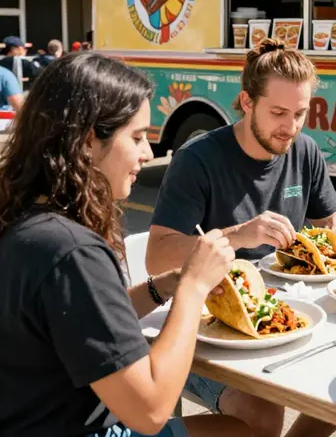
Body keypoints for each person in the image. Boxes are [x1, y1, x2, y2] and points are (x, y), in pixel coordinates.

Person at [0, 52, 251, 437]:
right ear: (86, 141)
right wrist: (194, 287)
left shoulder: (26, 220)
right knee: (251, 428)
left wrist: (163, 287)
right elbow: (150, 410)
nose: (148, 153)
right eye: (136, 137)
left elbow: (85, 321)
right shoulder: (70, 251)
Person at [146, 39, 336, 437]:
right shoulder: (198, 159)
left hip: (284, 318)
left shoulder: (305, 151)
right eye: (278, 113)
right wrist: (238, 235)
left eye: (300, 114)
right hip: (204, 330)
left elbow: (330, 217)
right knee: (262, 417)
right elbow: (156, 257)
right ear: (246, 102)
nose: (290, 127)